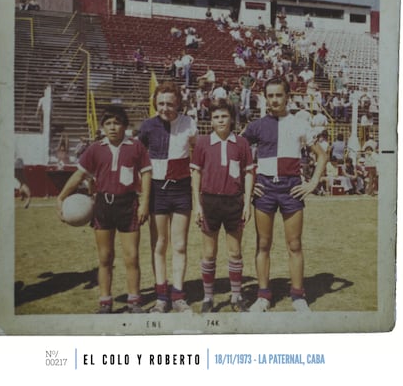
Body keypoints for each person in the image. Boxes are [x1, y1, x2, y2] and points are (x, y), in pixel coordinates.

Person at [56, 105, 152, 314]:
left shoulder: (136, 147)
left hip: (128, 205)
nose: (112, 127)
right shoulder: (95, 148)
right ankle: (105, 302)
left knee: (132, 256)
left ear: (125, 126)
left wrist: (144, 203)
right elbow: (79, 175)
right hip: (103, 206)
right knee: (105, 257)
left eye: (117, 123)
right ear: (102, 127)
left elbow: (146, 174)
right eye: (108, 123)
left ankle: (134, 301)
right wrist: (62, 196)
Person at [242, 77, 328, 312]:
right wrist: (246, 184)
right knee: (263, 243)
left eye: (279, 95)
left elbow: (322, 156)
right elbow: (236, 152)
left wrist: (311, 184)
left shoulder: (299, 124)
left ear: (287, 96)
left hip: (291, 188)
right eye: (270, 96)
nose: (274, 100)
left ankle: (298, 296)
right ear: (265, 98)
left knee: (295, 244)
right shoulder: (256, 125)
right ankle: (263, 296)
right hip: (265, 188)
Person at [138, 81, 198, 313]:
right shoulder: (147, 126)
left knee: (180, 245)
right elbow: (138, 157)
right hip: (156, 190)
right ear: (155, 103)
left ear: (178, 104)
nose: (165, 108)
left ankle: (179, 297)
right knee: (159, 245)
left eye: (170, 104)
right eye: (161, 103)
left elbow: (194, 152)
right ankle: (162, 297)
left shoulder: (189, 124)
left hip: (181, 189)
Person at [191, 98, 254, 313]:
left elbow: (248, 173)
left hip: (234, 201)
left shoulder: (242, 143)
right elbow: (196, 173)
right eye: (216, 117)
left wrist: (247, 203)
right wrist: (197, 205)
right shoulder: (202, 143)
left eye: (224, 116)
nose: (220, 121)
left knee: (235, 251)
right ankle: (208, 298)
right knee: (209, 253)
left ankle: (237, 297)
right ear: (210, 121)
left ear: (231, 118)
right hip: (209, 201)